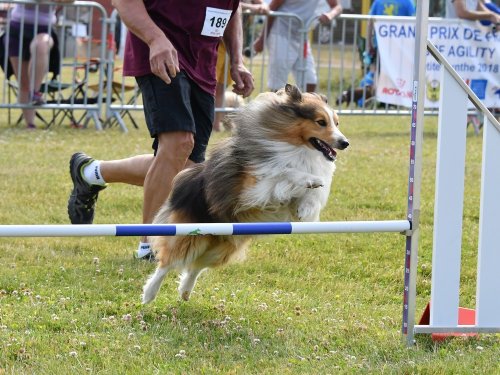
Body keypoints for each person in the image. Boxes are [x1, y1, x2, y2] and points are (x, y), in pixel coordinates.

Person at [68, 0, 254, 260]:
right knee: (178, 143)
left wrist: (237, 59)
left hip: (202, 61)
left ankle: (91, 172)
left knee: (186, 168)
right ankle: (150, 246)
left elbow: (232, 9)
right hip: (159, 52)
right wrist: (156, 39)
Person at [253, 0, 342, 92]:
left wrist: (330, 15)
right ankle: (276, 106)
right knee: (278, 85)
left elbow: (337, 6)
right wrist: (262, 39)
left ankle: (303, 106)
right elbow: (272, 9)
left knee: (310, 82)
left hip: (302, 36)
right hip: (280, 33)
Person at [213, 1, 269, 131]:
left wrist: (261, 7)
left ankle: (215, 125)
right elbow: (235, 4)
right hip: (216, 42)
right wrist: (254, 8)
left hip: (233, 45)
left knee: (221, 87)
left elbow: (263, 6)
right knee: (211, 85)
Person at [5, 3, 57, 129]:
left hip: (44, 29)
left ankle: (35, 92)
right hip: (17, 29)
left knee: (41, 46)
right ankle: (30, 124)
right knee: (23, 82)